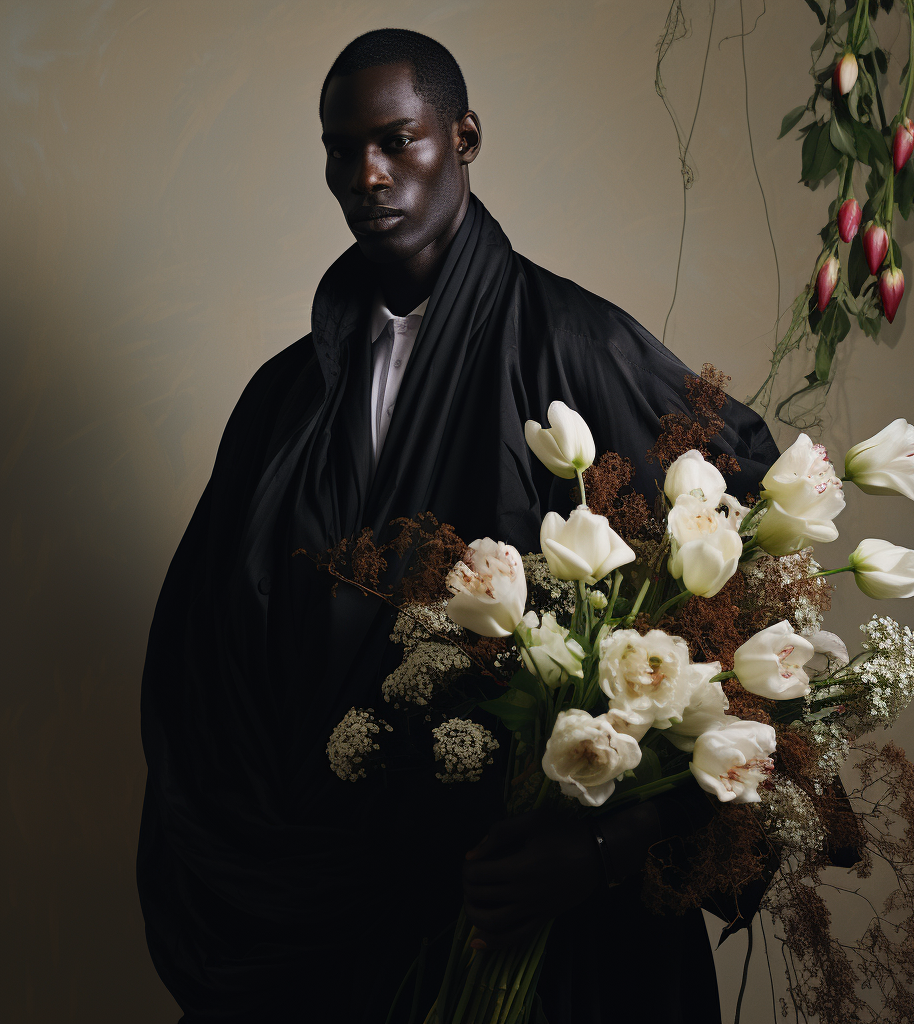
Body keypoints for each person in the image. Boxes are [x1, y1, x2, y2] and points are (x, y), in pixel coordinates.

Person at [137, 28, 782, 1023]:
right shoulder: (282, 397)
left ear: (464, 137)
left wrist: (611, 843)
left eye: (397, 141)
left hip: (531, 928)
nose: (368, 173)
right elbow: (204, 655)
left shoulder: (573, 342)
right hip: (330, 929)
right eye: (340, 149)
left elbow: (743, 583)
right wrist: (249, 857)